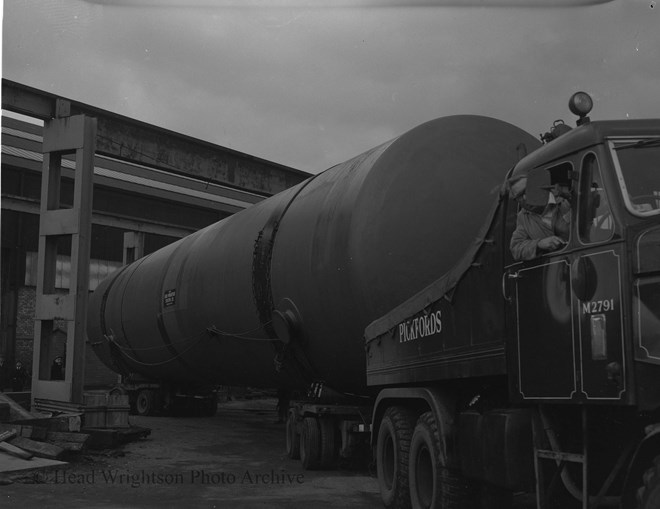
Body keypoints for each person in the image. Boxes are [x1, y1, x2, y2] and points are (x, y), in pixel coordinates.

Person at [509, 175, 571, 261]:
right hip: (556, 268)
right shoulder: (523, 217)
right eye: (520, 196)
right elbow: (516, 248)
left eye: (527, 191)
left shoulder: (564, 199)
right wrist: (539, 244)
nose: (525, 197)